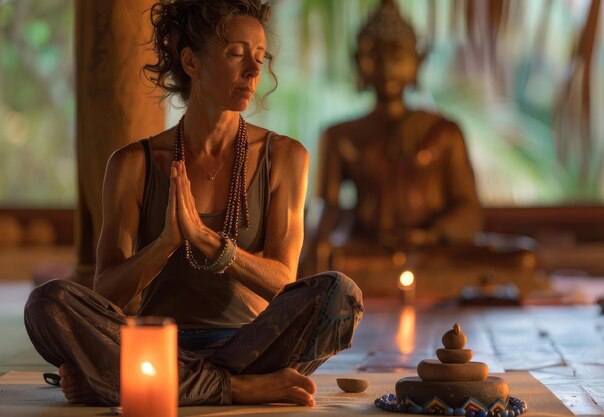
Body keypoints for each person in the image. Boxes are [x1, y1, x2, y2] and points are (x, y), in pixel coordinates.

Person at [24, 0, 363, 408]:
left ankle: (142, 383)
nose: (254, 70)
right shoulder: (133, 164)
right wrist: (167, 242)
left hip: (252, 347)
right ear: (191, 61)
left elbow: (283, 282)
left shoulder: (286, 157)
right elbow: (107, 291)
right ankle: (235, 389)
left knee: (342, 294)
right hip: (160, 344)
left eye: (260, 56)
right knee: (48, 303)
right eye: (236, 54)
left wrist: (211, 244)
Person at [305, 0, 483, 276]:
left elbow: (470, 211)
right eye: (374, 55)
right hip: (369, 251)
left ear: (418, 60)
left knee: (520, 259)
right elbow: (327, 211)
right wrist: (314, 248)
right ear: (358, 61)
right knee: (329, 266)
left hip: (432, 252)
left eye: (397, 55)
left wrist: (432, 235)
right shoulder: (340, 136)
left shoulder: (444, 131)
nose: (387, 66)